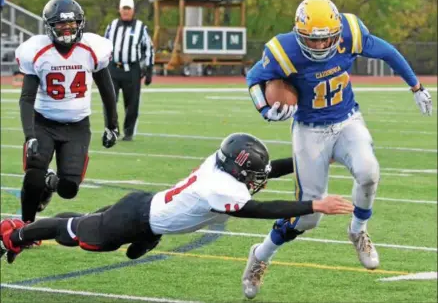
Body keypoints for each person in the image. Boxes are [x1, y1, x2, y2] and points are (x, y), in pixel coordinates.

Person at [244, 0, 433, 299]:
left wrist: (416, 86)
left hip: (347, 120)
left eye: (326, 40)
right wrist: (265, 110)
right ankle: (261, 255)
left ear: (336, 32)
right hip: (309, 130)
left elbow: (388, 52)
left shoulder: (350, 32)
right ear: (298, 33)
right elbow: (254, 79)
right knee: (308, 217)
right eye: (311, 40)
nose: (319, 46)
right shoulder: (283, 50)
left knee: (369, 172)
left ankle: (358, 230)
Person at [0, 133, 353, 264]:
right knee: (73, 232)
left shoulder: (221, 166)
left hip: (146, 210)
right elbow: (260, 209)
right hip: (136, 217)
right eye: (251, 176)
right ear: (236, 171)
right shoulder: (220, 187)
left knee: (84, 223)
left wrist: (312, 161)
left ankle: (32, 230)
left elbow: (269, 172)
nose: (257, 181)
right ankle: (15, 235)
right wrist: (314, 205)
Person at [15, 0, 119, 223]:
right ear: (50, 26)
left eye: (72, 23)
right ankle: (27, 226)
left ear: (80, 23)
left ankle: (50, 184)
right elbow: (26, 98)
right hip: (44, 121)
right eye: (61, 24)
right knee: (34, 173)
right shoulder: (37, 50)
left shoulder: (92, 48)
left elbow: (107, 90)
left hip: (77, 126)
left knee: (69, 188)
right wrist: (30, 135)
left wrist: (112, 125)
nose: (67, 28)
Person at [104, 0, 154, 141]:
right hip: (113, 68)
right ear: (120, 10)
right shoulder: (112, 26)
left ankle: (128, 132)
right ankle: (112, 129)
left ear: (133, 10)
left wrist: (149, 69)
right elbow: (104, 45)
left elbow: (149, 48)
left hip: (132, 69)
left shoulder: (140, 27)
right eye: (123, 9)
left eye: (128, 9)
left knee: (132, 104)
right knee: (109, 101)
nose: (126, 12)